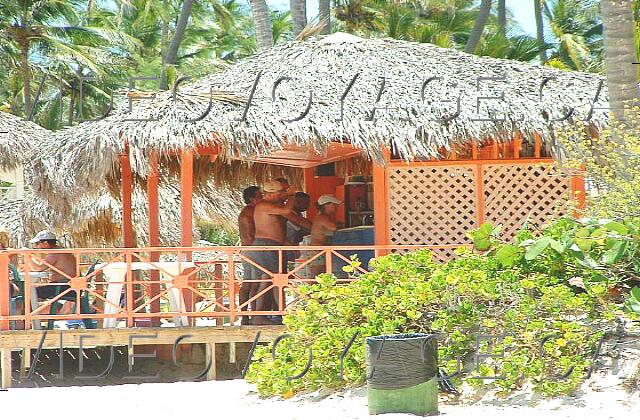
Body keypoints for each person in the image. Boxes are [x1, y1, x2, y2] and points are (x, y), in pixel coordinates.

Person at [248, 180, 309, 325]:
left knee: (273, 280)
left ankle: (276, 313)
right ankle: (261, 315)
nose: (285, 195)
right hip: (266, 245)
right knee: (271, 280)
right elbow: (287, 211)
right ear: (272, 193)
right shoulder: (264, 205)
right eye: (283, 192)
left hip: (274, 246)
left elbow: (293, 217)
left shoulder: (274, 206)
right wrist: (293, 195)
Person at [29, 230, 77, 315]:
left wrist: (28, 256)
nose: (36, 246)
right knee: (33, 292)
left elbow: (38, 268)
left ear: (46, 243)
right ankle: (33, 319)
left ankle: (26, 319)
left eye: (37, 244)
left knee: (30, 293)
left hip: (63, 288)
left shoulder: (55, 253)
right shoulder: (61, 251)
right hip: (69, 286)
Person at [238, 186, 262, 325]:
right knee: (254, 284)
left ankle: (246, 316)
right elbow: (253, 233)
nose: (262, 199)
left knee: (249, 283)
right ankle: (253, 315)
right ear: (252, 199)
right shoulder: (251, 211)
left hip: (247, 250)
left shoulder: (247, 211)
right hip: (253, 249)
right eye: (260, 196)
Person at [309, 195, 343, 276]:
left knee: (323, 275)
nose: (336, 207)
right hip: (318, 250)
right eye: (334, 204)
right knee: (317, 275)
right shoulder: (322, 217)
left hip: (323, 250)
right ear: (326, 205)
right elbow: (333, 227)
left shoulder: (325, 217)